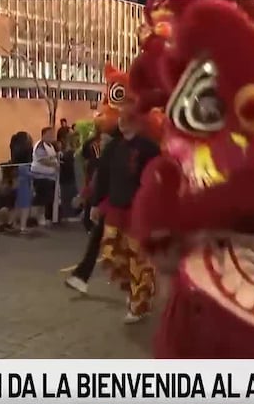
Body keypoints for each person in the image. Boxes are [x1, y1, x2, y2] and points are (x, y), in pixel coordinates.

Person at [66, 104, 160, 323]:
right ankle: (136, 292)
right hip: (115, 211)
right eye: (121, 117)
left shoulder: (149, 149)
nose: (122, 121)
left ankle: (139, 303)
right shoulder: (112, 148)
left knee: (139, 259)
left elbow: (157, 179)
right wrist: (96, 204)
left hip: (139, 212)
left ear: (137, 121)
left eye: (128, 117)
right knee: (112, 256)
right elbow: (103, 178)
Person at [31, 127, 59, 226]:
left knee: (48, 198)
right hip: (41, 177)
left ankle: (46, 217)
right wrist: (55, 164)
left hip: (50, 176)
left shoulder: (50, 146)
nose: (52, 136)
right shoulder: (40, 145)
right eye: (49, 134)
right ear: (43, 135)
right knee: (41, 198)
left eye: (52, 134)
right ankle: (38, 217)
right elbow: (42, 159)